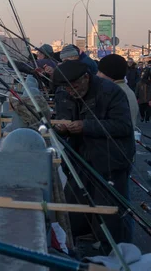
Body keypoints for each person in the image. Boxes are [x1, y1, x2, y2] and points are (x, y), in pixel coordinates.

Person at [53, 60, 134, 245]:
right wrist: (61, 128)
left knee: (112, 216)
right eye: (67, 89)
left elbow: (123, 126)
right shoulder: (63, 93)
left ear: (86, 78)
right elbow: (63, 118)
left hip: (110, 162)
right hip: (80, 160)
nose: (71, 92)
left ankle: (118, 254)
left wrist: (85, 126)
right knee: (72, 212)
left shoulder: (111, 92)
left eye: (74, 87)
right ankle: (75, 249)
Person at [97, 54, 139, 129]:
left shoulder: (114, 93)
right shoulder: (127, 90)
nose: (97, 75)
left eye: (100, 72)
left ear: (110, 74)